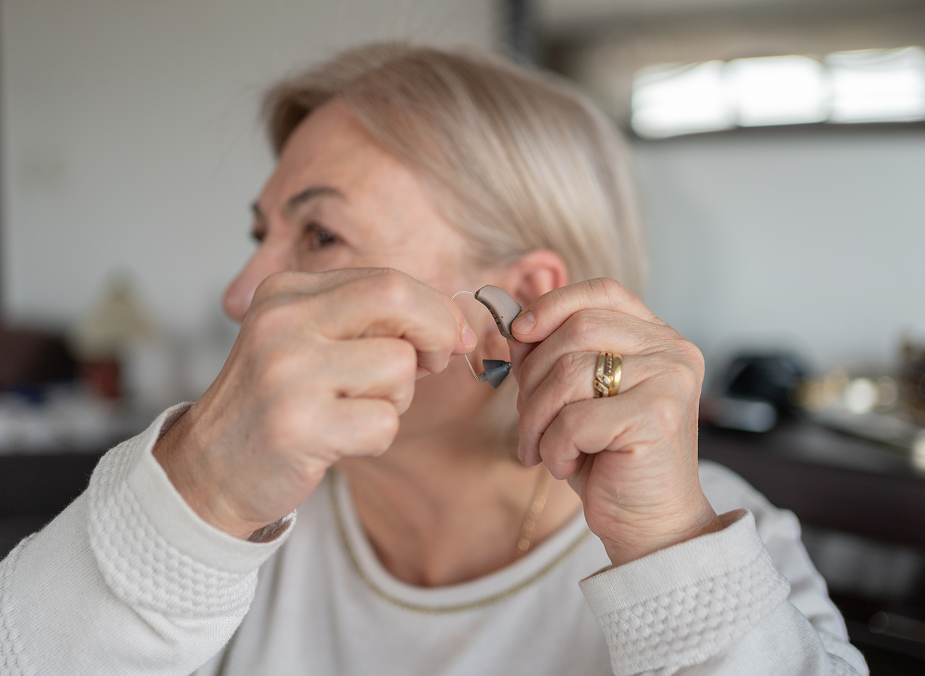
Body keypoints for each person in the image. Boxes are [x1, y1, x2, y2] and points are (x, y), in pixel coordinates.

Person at [0, 43, 868, 676]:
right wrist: (195, 497)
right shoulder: (235, 529)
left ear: (517, 307)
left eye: (319, 233)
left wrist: (669, 548)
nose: (244, 295)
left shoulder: (717, 540)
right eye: (262, 234)